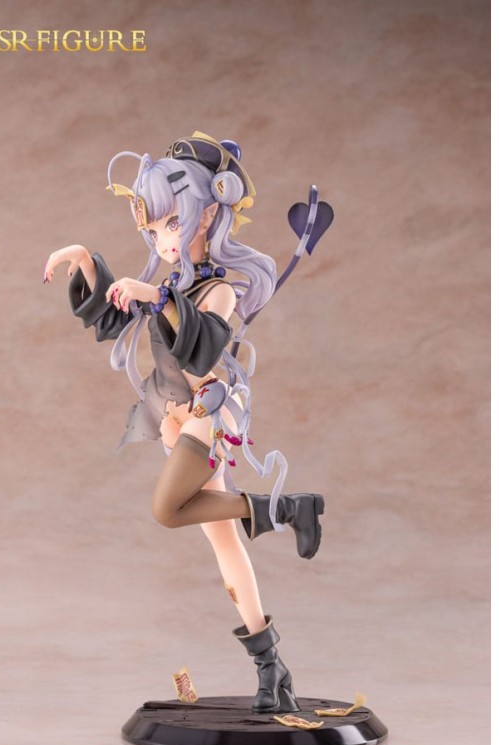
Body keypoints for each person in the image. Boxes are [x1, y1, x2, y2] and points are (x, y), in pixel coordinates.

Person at [44, 132, 325, 714]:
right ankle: (272, 669)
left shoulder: (218, 290)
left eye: (172, 223)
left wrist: (158, 297)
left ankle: (280, 509)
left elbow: (201, 352)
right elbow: (111, 317)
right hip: (171, 415)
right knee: (225, 546)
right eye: (153, 231)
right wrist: (86, 260)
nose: (164, 240)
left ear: (208, 214)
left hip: (208, 411)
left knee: (167, 508)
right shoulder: (170, 284)